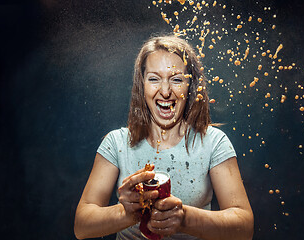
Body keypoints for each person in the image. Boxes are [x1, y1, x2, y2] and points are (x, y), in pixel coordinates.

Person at [74, 34, 254, 240]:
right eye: (154, 79)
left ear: (191, 87)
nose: (166, 91)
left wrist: (184, 218)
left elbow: (244, 228)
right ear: (142, 85)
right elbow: (81, 226)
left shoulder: (214, 142)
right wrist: (128, 212)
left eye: (177, 79)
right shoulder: (116, 143)